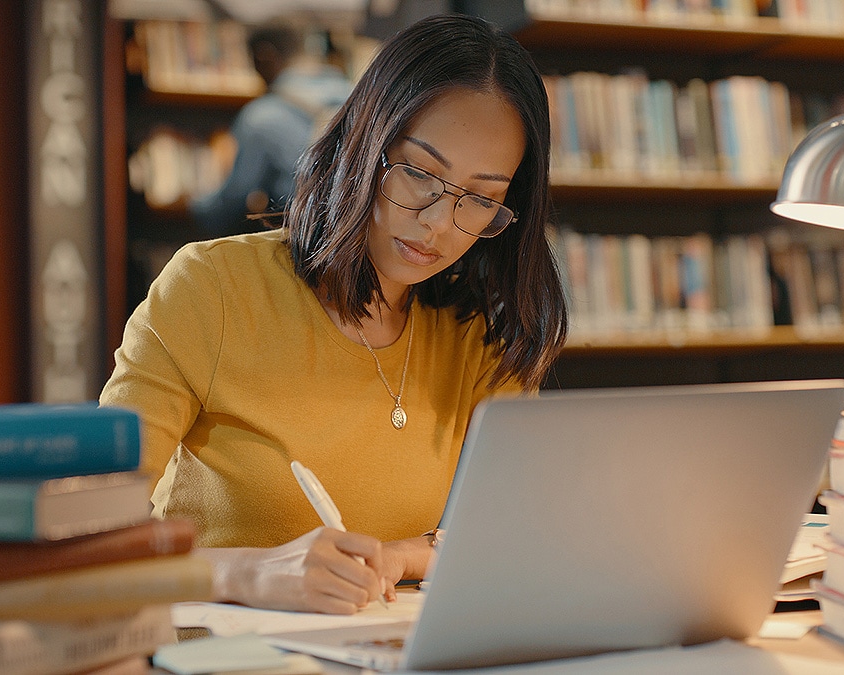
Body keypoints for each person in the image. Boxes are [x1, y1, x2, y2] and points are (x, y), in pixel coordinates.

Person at [100, 13, 568, 614]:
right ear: (363, 141)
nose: (438, 223)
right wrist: (247, 573)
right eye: (421, 174)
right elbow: (92, 530)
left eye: (480, 199)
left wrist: (401, 556)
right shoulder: (213, 288)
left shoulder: (481, 336)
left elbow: (508, 533)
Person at [188, 21, 352, 236]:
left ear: (263, 55)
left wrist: (196, 207)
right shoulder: (358, 95)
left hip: (304, 241)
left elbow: (233, 200)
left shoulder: (261, 117)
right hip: (355, 239)